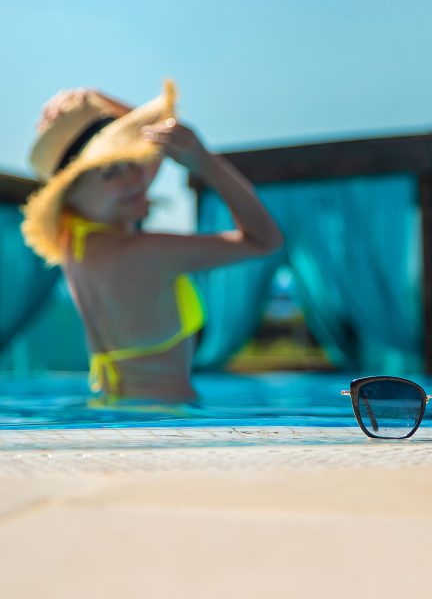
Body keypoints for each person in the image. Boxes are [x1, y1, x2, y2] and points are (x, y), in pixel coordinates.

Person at [22, 81, 283, 403]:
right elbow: (265, 240)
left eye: (133, 162)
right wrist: (205, 163)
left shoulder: (73, 246)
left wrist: (94, 101)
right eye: (110, 173)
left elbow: (156, 140)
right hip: (165, 416)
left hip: (110, 408)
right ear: (71, 195)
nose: (135, 179)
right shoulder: (145, 252)